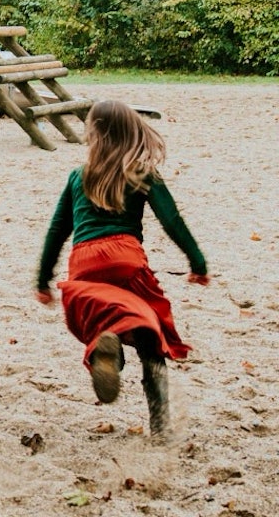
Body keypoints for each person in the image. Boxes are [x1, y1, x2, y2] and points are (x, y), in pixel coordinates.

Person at [36, 100, 210, 436]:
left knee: (105, 320)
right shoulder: (143, 173)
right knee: (150, 333)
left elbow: (57, 231)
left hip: (84, 263)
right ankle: (160, 426)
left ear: (93, 135)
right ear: (132, 132)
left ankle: (110, 358)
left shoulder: (78, 176)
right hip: (126, 258)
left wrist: (43, 280)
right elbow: (171, 219)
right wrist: (197, 262)